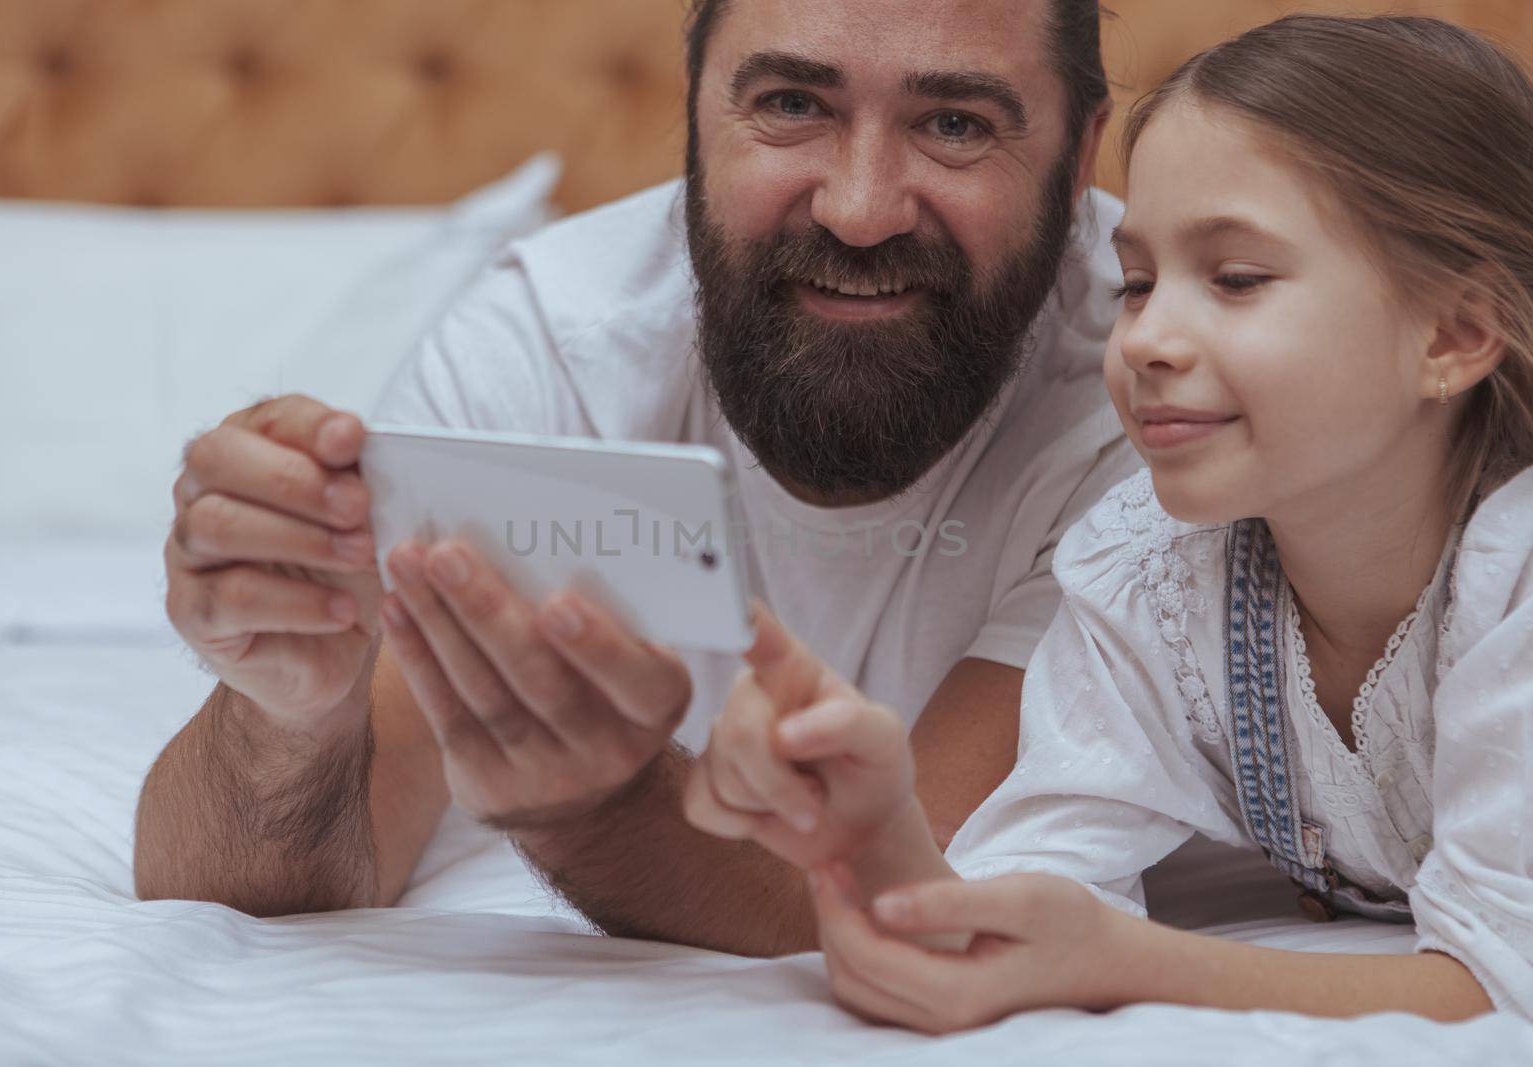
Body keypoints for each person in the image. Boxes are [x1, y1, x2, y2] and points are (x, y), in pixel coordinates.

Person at [134, 0, 1139, 956]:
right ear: (695, 111)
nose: (860, 209)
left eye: (955, 124)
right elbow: (264, 875)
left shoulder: (1163, 388)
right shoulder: (549, 341)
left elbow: (919, 906)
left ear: (1078, 153)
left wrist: (598, 808)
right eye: (791, 105)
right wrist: (290, 713)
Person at [691, 12, 1533, 1025]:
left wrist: (1131, 964)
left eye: (1235, 278)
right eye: (1137, 282)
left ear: (1455, 332)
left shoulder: (1515, 572)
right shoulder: (1151, 565)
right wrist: (872, 829)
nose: (1149, 339)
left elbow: (1502, 979)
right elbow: (1035, 876)